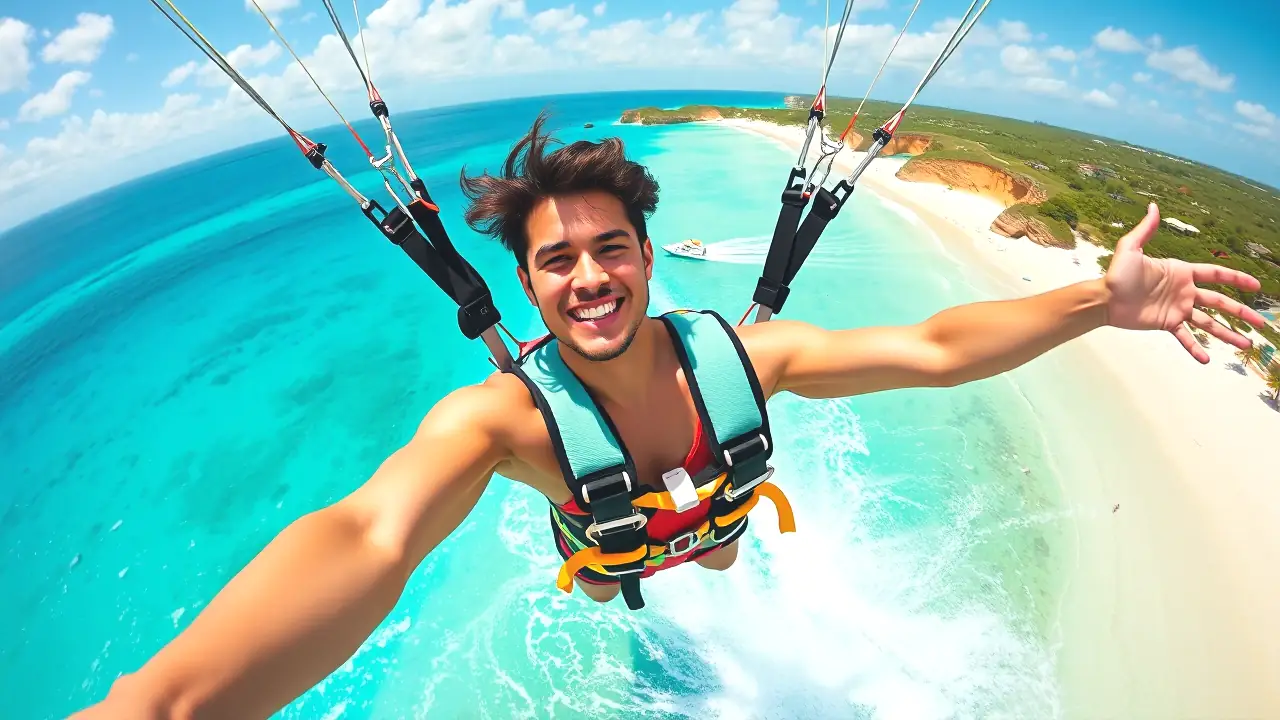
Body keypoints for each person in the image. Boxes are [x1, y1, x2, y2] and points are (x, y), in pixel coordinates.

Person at [72, 113, 1266, 718]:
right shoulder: (502, 425)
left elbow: (935, 347)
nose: (586, 278)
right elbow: (368, 538)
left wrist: (1096, 305)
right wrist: (162, 701)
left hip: (719, 519)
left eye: (609, 250)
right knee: (609, 576)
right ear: (531, 288)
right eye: (556, 263)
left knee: (725, 541)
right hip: (611, 556)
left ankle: (700, 559)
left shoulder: (748, 357)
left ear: (647, 260)